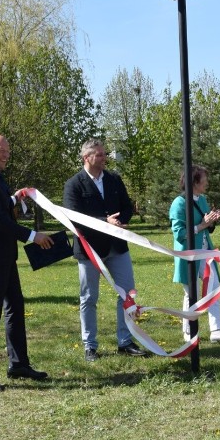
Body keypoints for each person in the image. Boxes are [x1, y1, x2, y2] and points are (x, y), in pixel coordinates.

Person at [0, 134, 54, 392]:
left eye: (8, 150)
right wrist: (32, 236)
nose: (6, 154)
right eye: (0, 150)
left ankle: (18, 364)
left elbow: (3, 205)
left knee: (15, 308)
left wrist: (16, 198)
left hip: (5, 257)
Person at [63, 139, 147, 361]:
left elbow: (126, 207)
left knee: (127, 294)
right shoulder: (74, 184)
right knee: (89, 297)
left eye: (104, 154)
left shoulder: (114, 179)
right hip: (89, 251)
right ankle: (89, 346)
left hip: (117, 247)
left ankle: (125, 341)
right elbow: (73, 219)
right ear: (86, 158)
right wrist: (104, 221)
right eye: (99, 155)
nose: (104, 158)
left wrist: (120, 222)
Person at [169, 165, 220, 343]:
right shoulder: (179, 203)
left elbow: (208, 227)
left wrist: (212, 220)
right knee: (191, 292)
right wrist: (202, 225)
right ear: (194, 182)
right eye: (204, 180)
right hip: (189, 255)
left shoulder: (202, 199)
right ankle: (188, 332)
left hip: (206, 253)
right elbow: (180, 234)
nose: (207, 183)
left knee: (214, 290)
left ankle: (216, 330)